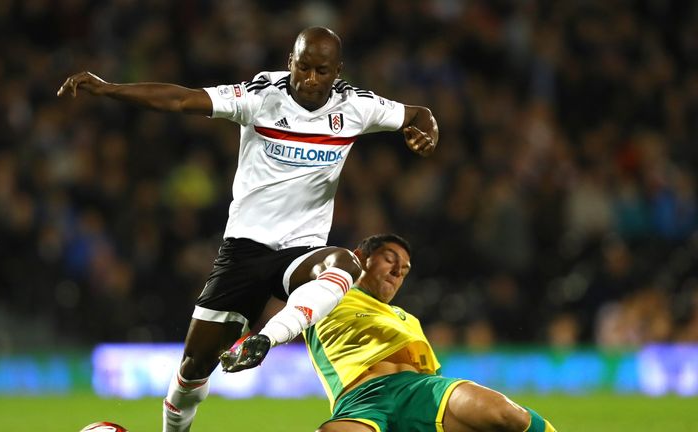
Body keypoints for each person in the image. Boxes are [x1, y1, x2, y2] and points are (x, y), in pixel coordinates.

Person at [57, 27, 438, 432]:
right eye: (303, 67)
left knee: (344, 261)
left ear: (337, 71)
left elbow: (416, 113)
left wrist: (428, 129)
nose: (310, 79)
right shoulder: (260, 97)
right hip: (244, 251)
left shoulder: (357, 106)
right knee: (193, 369)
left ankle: (265, 340)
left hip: (300, 252)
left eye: (321, 71)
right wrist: (109, 88)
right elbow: (182, 99)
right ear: (289, 62)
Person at [303, 233, 557, 432]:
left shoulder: (406, 317)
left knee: (506, 414)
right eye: (390, 259)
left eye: (404, 269)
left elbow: (433, 374)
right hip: (362, 401)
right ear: (360, 256)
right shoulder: (328, 293)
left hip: (421, 391)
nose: (397, 271)